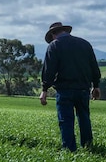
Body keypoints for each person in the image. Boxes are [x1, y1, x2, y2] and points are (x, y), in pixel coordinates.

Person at [39, 22, 101, 151]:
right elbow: (94, 66)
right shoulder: (85, 44)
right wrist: (96, 86)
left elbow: (49, 70)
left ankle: (69, 149)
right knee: (84, 118)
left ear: (53, 34)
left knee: (66, 120)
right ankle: (87, 146)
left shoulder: (54, 46)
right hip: (83, 89)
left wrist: (44, 90)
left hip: (64, 90)